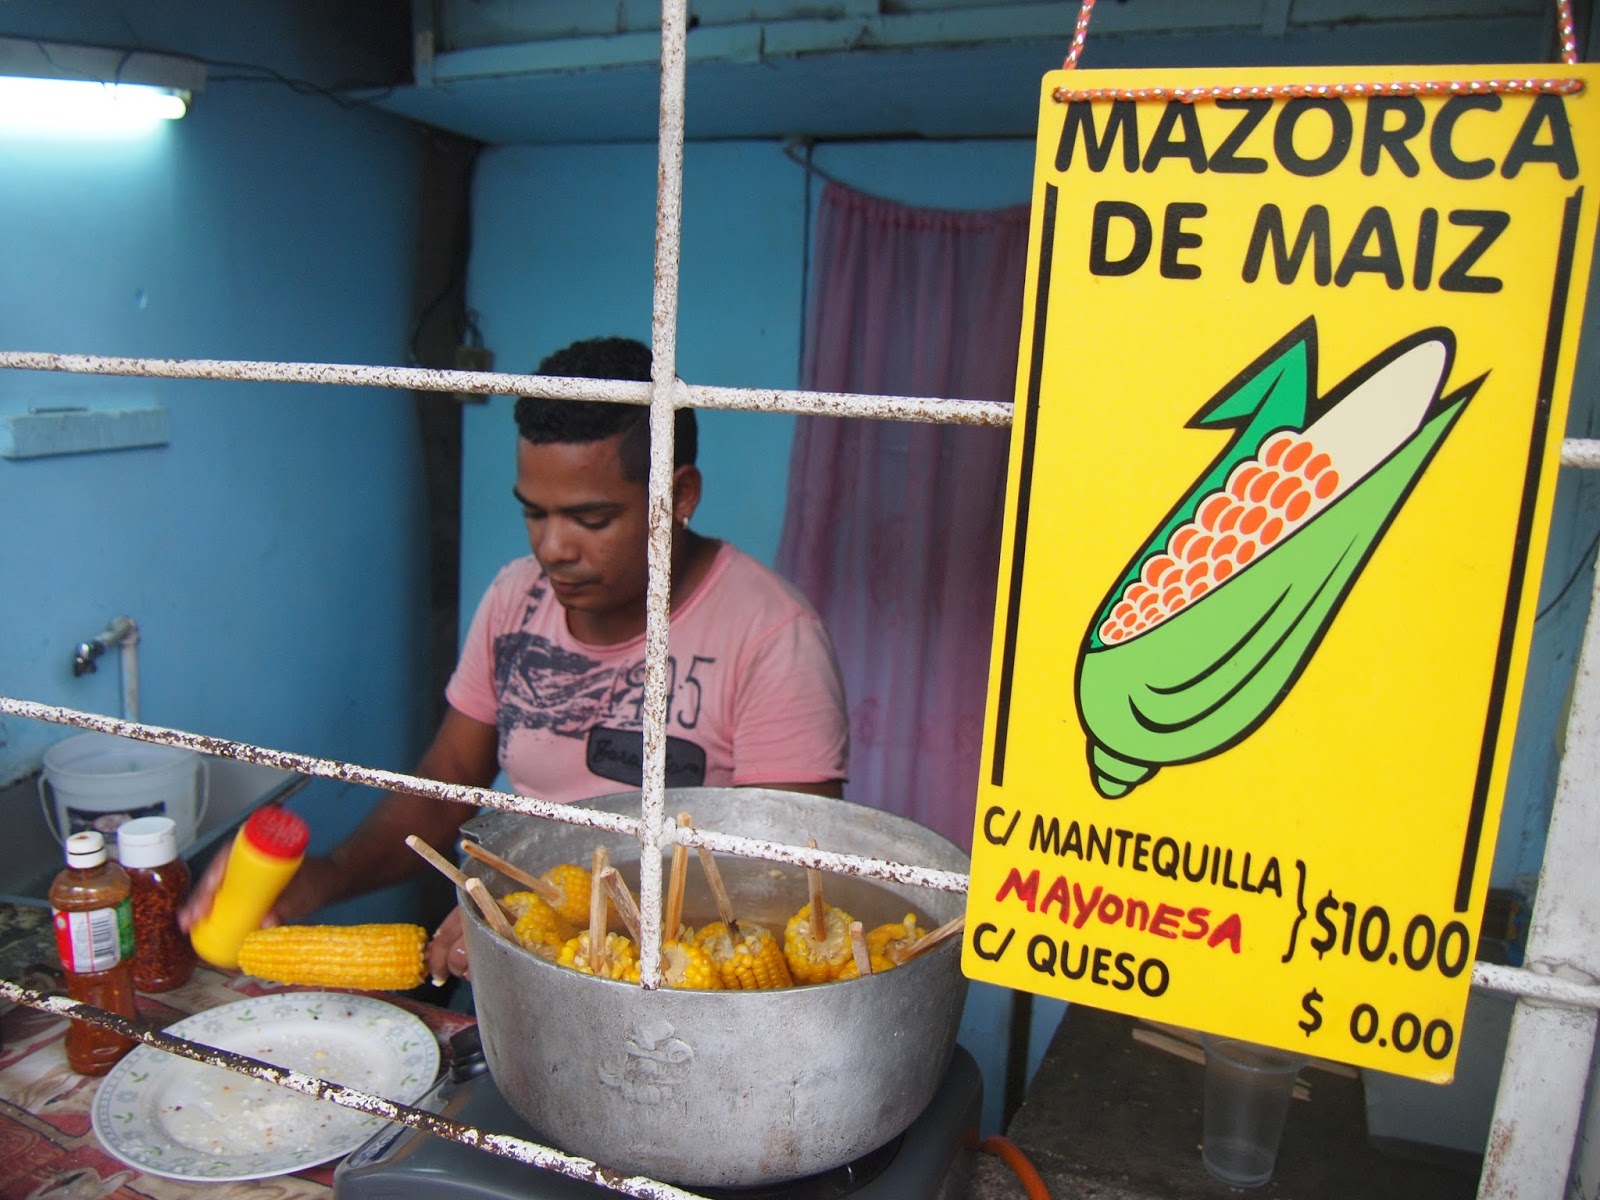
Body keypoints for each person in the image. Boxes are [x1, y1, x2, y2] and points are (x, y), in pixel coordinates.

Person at [179, 336, 850, 986]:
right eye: (535, 514)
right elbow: (448, 778)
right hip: (517, 973)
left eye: (590, 520)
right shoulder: (513, 598)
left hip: (675, 1000)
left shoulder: (772, 639)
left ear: (679, 497)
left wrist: (544, 922)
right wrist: (334, 872)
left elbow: (782, 884)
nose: (553, 548)